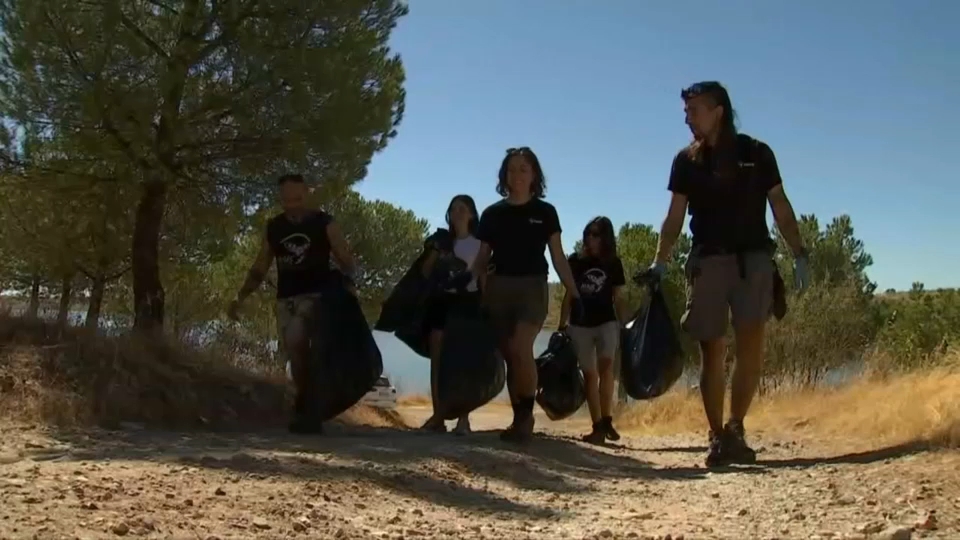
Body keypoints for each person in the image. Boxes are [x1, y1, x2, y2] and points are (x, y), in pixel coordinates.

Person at [646, 81, 810, 466]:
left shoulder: (757, 153)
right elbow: (674, 217)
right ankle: (716, 435)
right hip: (708, 261)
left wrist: (799, 252)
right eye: (686, 112)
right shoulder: (686, 161)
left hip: (753, 260)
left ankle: (736, 428)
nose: (688, 119)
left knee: (751, 347)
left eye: (694, 111)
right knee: (712, 350)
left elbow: (780, 205)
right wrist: (660, 261)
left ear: (718, 111)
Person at [453, 147, 582, 443]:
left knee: (521, 345)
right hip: (499, 288)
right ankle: (518, 418)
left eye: (524, 169)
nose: (517, 175)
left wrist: (575, 292)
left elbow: (558, 257)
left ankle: (526, 417)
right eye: (511, 169)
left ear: (534, 175)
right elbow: (483, 257)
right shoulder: (492, 214)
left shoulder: (545, 212)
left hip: (532, 287)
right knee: (512, 355)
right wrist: (467, 278)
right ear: (504, 176)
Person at [226, 174, 359, 435]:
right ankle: (307, 405)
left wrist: (352, 284)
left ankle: (312, 407)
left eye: (297, 199)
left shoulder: (324, 223)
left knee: (299, 338)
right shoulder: (275, 227)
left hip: (317, 296)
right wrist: (241, 296)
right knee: (295, 353)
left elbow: (345, 256)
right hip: (286, 298)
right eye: (286, 200)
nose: (292, 205)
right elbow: (261, 265)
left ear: (307, 195)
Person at [418, 194, 484, 436]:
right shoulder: (442, 241)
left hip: (468, 302)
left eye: (462, 208)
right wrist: (436, 250)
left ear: (472, 214)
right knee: (437, 359)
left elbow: (483, 277)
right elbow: (425, 272)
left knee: (462, 361)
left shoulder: (479, 244)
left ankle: (463, 419)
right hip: (441, 302)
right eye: (453, 208)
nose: (457, 213)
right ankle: (438, 416)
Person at [558, 216, 627, 445]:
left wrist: (625, 325)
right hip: (580, 324)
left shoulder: (613, 263)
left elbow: (618, 298)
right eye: (587, 234)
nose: (590, 239)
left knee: (606, 369)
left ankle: (607, 420)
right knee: (590, 375)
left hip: (607, 322)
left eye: (595, 234)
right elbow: (569, 295)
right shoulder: (576, 261)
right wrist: (561, 325)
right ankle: (597, 426)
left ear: (605, 238)